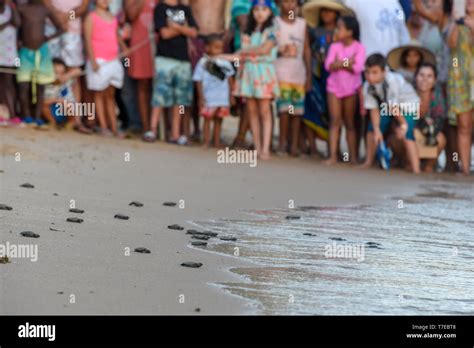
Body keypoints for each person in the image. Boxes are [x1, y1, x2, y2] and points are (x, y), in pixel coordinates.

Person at [302, 0, 352, 156]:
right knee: (311, 109)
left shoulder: (342, 35)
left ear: (336, 14)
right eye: (323, 11)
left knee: (334, 115)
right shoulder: (314, 32)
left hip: (338, 78)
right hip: (316, 75)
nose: (326, 14)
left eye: (329, 11)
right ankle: (313, 147)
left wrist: (339, 63)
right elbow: (307, 51)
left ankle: (335, 149)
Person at [146, 0, 198, 143]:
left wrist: (174, 26)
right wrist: (183, 29)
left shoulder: (185, 9)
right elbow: (164, 34)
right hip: (164, 58)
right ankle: (152, 130)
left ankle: (175, 134)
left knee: (180, 99)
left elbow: (194, 32)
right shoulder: (160, 8)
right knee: (159, 95)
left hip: (183, 60)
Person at [234, 0, 280, 160]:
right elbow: (242, 54)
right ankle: (258, 147)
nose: (260, 13)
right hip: (248, 72)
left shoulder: (274, 29)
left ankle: (266, 148)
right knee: (252, 111)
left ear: (270, 12)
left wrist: (244, 50)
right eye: (257, 9)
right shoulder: (247, 30)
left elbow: (265, 49)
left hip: (264, 72)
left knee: (265, 111)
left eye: (264, 9)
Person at [361, 53, 421, 174]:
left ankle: (416, 169)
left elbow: (393, 106)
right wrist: (377, 129)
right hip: (389, 107)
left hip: (409, 106)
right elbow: (374, 109)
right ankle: (368, 161)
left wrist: (403, 125)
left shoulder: (392, 80)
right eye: (367, 72)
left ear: (384, 72)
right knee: (372, 128)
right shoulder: (367, 86)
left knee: (407, 133)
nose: (370, 76)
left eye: (374, 72)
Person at [324, 15, 365, 165]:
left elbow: (358, 68)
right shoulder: (335, 46)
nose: (337, 30)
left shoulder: (359, 47)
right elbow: (328, 65)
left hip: (351, 89)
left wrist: (339, 63)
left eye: (340, 28)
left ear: (350, 31)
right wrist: (348, 62)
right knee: (335, 121)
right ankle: (333, 156)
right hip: (334, 88)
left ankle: (352, 157)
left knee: (349, 122)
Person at [16, 0, 63, 128]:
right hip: (24, 52)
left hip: (42, 52)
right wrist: (18, 41)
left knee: (40, 87)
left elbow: (61, 28)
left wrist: (47, 38)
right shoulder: (21, 8)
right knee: (23, 85)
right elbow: (17, 28)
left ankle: (37, 118)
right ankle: (26, 116)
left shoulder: (45, 9)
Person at [84, 0, 127, 137]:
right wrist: (92, 60)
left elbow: (116, 35)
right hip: (98, 60)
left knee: (110, 95)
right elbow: (88, 40)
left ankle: (114, 127)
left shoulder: (113, 17)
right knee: (99, 94)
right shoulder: (91, 17)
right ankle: (103, 126)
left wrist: (124, 48)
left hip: (113, 60)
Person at [275, 0, 311, 157]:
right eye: (286, 2)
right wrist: (280, 51)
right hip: (280, 73)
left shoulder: (302, 24)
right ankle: (282, 143)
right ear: (279, 4)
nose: (289, 6)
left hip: (298, 74)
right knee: (284, 110)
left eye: (293, 2)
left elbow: (306, 50)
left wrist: (308, 74)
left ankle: (294, 145)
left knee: (296, 112)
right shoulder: (275, 23)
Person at [193, 34, 235, 148]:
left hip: (222, 98)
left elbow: (230, 79)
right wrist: (200, 97)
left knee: (219, 119)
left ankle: (216, 142)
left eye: (220, 47)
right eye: (216, 47)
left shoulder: (225, 61)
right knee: (207, 119)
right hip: (209, 98)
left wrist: (231, 95)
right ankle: (206, 141)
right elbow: (198, 80)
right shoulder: (202, 62)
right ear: (207, 48)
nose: (219, 50)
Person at [447, 0, 474, 175]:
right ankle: (464, 169)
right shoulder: (456, 21)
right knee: (463, 126)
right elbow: (450, 43)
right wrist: (457, 22)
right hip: (460, 79)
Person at [124, 0, 157, 134]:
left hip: (160, 43)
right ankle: (145, 126)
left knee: (158, 86)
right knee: (142, 83)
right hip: (140, 42)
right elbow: (131, 15)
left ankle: (161, 127)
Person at [342, 0, 410, 56]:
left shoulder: (396, 3)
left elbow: (402, 30)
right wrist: (346, 63)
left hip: (392, 66)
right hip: (366, 66)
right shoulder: (353, 1)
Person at [413, 62, 447, 173]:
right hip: (410, 134)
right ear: (415, 77)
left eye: (429, 76)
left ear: (435, 80)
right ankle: (409, 162)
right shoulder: (408, 92)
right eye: (421, 75)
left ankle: (428, 166)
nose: (425, 79)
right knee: (401, 134)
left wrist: (428, 127)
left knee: (440, 139)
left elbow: (440, 120)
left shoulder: (437, 96)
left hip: (429, 134)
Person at [0, 0, 20, 124]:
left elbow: (17, 22)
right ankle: (3, 114)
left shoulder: (10, 8)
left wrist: (12, 6)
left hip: (10, 53)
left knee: (9, 83)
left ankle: (12, 114)